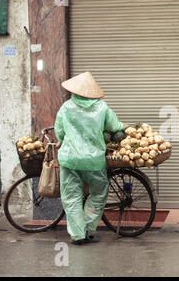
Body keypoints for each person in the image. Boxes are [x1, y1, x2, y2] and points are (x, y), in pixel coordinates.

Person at [54, 72, 126, 245]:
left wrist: (64, 140)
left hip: (70, 158)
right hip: (93, 160)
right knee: (99, 193)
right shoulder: (102, 107)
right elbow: (114, 126)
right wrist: (125, 127)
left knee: (71, 197)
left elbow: (60, 131)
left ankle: (77, 235)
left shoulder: (66, 107)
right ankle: (87, 228)